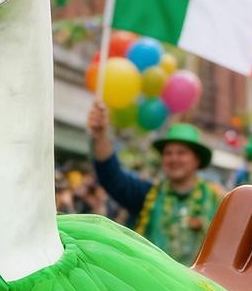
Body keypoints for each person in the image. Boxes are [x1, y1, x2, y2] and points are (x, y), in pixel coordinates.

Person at [87, 99, 221, 265]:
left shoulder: (217, 201)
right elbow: (112, 177)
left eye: (181, 152)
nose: (173, 159)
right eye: (168, 153)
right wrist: (100, 135)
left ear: (197, 160)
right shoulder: (147, 195)